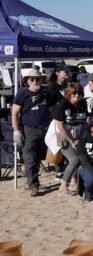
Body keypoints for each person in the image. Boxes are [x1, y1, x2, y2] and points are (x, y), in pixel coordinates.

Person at [11, 68, 51, 196]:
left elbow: (51, 111)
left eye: (37, 79)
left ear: (41, 80)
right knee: (29, 158)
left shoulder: (46, 93)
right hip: (29, 129)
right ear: (27, 81)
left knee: (38, 158)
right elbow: (15, 113)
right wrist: (16, 130)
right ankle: (33, 186)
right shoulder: (22, 93)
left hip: (44, 129)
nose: (35, 81)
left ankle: (33, 182)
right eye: (32, 79)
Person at [53, 84, 87, 196]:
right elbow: (60, 127)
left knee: (79, 158)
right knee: (74, 159)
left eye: (79, 93)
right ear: (69, 93)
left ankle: (74, 181)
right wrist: (72, 140)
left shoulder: (83, 103)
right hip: (64, 136)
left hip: (78, 135)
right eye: (74, 93)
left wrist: (79, 138)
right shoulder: (62, 105)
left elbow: (84, 123)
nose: (77, 95)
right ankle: (63, 186)